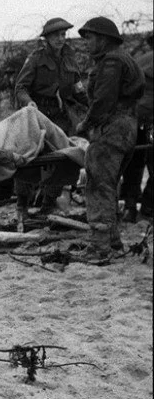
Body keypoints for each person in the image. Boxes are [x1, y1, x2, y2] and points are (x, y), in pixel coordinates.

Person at [75, 17, 144, 256]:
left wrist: (85, 124)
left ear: (103, 39)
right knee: (109, 184)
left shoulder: (111, 62)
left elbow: (103, 100)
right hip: (127, 127)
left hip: (112, 127)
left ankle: (99, 246)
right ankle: (113, 241)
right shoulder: (124, 58)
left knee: (98, 184)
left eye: (90, 38)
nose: (86, 43)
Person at [14, 17, 88, 135]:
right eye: (55, 35)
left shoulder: (70, 59)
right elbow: (21, 88)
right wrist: (29, 102)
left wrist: (95, 105)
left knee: (79, 139)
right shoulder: (35, 59)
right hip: (40, 113)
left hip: (64, 114)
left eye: (63, 34)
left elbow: (78, 91)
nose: (60, 39)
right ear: (47, 38)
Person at [121, 34, 153, 222]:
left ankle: (130, 207)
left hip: (133, 118)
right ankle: (147, 209)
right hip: (150, 120)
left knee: (133, 163)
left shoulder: (139, 61)